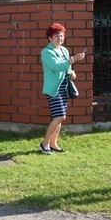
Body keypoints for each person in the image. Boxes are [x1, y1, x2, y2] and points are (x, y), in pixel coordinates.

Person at [40, 23, 86, 155]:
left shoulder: (64, 50)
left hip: (64, 87)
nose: (59, 39)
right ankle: (45, 144)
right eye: (56, 36)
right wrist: (73, 60)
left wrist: (72, 73)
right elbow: (56, 66)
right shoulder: (46, 52)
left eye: (61, 36)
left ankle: (53, 143)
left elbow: (67, 68)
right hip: (53, 88)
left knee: (60, 117)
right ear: (50, 38)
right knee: (59, 116)